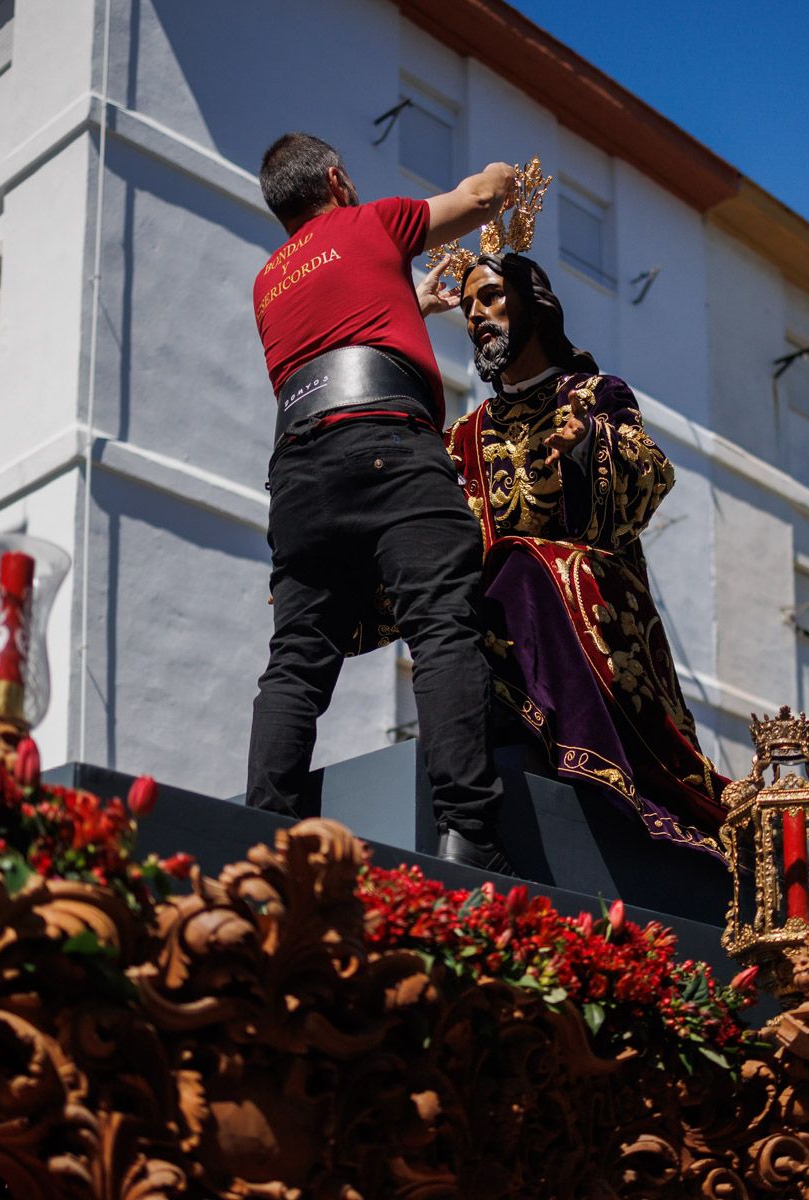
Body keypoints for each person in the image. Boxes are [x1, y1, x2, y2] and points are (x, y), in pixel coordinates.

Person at [247, 132, 517, 873]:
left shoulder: (268, 280)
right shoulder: (371, 222)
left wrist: (411, 302)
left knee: (296, 660)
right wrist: (504, 172)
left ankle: (260, 841)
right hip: (387, 445)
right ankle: (468, 833)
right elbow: (478, 197)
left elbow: (341, 330)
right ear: (336, 179)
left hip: (297, 473)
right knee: (442, 626)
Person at [447, 251, 730, 862]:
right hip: (493, 625)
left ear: (533, 304)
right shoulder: (466, 434)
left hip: (592, 602)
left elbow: (648, 479)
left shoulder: (595, 394)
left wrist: (587, 447)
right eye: (468, 305)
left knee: (523, 563)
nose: (476, 316)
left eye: (491, 297)